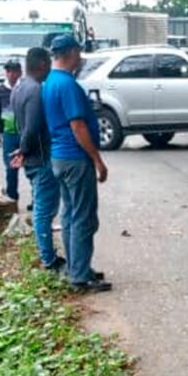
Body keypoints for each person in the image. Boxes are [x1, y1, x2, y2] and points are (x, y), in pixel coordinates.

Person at [42, 34, 111, 293]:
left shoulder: (50, 82)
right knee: (84, 218)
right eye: (78, 53)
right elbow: (78, 125)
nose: (80, 58)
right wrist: (97, 159)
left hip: (59, 156)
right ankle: (80, 276)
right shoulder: (67, 85)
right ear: (70, 52)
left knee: (70, 215)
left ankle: (76, 268)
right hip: (75, 158)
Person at [9, 48, 65, 272]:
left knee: (42, 206)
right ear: (41, 64)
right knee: (44, 209)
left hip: (32, 158)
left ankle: (47, 254)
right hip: (40, 158)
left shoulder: (19, 88)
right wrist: (23, 149)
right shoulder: (34, 91)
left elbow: (20, 125)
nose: (51, 68)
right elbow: (31, 128)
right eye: (49, 64)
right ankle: (48, 258)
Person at [0, 60, 22, 201]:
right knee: (10, 168)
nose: (12, 74)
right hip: (9, 134)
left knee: (32, 167)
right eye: (9, 71)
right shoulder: (0, 91)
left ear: (20, 72)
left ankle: (36, 199)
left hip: (24, 133)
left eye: (15, 71)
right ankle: (12, 197)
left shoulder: (24, 89)